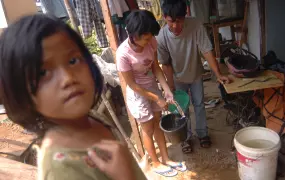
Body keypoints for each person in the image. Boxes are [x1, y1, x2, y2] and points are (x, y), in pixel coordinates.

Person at [0, 14, 146, 180]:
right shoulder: (60, 169)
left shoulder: (92, 117)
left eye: (73, 60)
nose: (68, 78)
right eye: (43, 73)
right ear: (21, 94)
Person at [116, 10, 187, 177]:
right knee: (147, 128)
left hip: (152, 87)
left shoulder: (151, 42)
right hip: (138, 94)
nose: (149, 41)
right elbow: (132, 84)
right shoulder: (123, 54)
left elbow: (155, 67)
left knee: (157, 123)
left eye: (150, 37)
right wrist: (157, 98)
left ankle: (165, 158)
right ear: (133, 35)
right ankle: (155, 163)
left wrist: (167, 90)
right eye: (146, 38)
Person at [157, 0, 231, 153]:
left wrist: (218, 74)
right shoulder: (161, 37)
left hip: (196, 73)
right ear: (165, 17)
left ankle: (203, 134)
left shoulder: (196, 24)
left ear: (186, 15)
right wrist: (170, 87)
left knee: (199, 104)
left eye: (179, 21)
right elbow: (166, 65)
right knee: (181, 109)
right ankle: (185, 138)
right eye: (171, 22)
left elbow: (206, 50)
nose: (176, 26)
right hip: (177, 78)